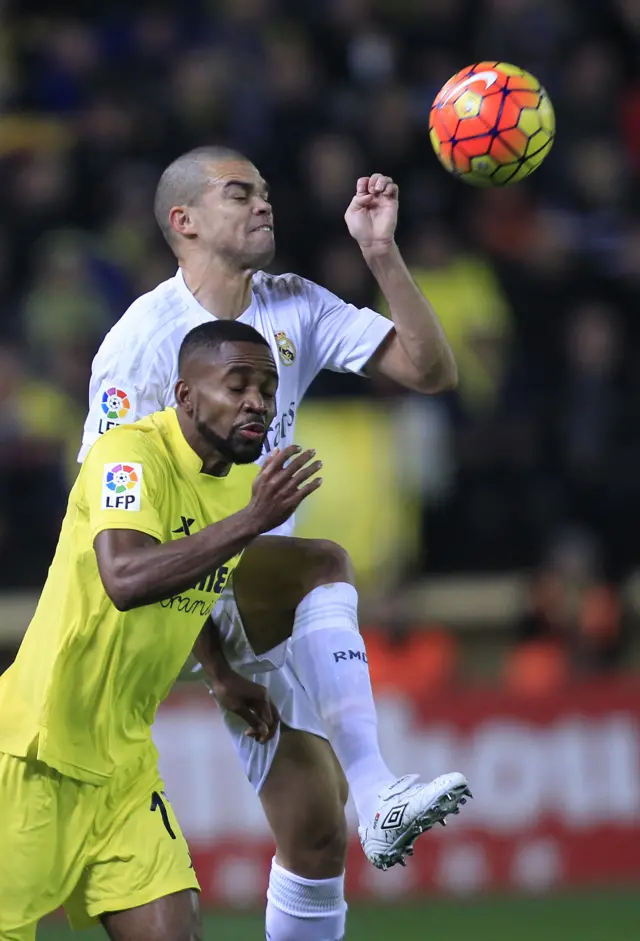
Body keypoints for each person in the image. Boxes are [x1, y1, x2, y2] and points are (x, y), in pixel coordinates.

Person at [79, 146, 470, 941]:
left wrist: (382, 255)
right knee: (323, 561)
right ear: (183, 223)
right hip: (166, 584)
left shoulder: (293, 303)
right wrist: (210, 658)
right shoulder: (139, 345)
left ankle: (362, 798)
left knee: (314, 831)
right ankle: (381, 785)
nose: (264, 203)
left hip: (250, 591)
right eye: (238, 193)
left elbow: (430, 370)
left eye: (264, 189)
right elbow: (105, 514)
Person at [0, 320, 322, 941]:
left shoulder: (233, 489)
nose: (257, 400)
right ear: (186, 395)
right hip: (34, 757)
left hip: (124, 769)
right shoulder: (126, 456)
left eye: (267, 387)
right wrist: (254, 521)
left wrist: (223, 673)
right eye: (238, 385)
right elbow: (126, 577)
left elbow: (189, 572)